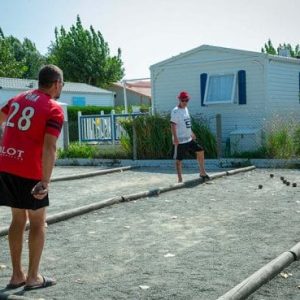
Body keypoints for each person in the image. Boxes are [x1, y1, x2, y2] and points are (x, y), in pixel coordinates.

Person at [0, 65, 65, 291]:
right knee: (38, 222)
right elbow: (50, 147)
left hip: (6, 166)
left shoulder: (16, 98)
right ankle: (33, 277)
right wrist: (45, 181)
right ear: (56, 83)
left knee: (18, 220)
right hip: (29, 171)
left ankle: (16, 275)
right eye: (62, 85)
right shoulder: (53, 109)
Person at [170, 91, 210, 183]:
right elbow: (172, 125)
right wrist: (175, 138)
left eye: (186, 100)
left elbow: (187, 123)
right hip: (180, 140)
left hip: (189, 138)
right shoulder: (175, 111)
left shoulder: (186, 109)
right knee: (179, 160)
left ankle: (202, 172)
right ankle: (180, 180)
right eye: (183, 100)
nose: (185, 102)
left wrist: (191, 132)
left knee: (200, 151)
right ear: (179, 100)